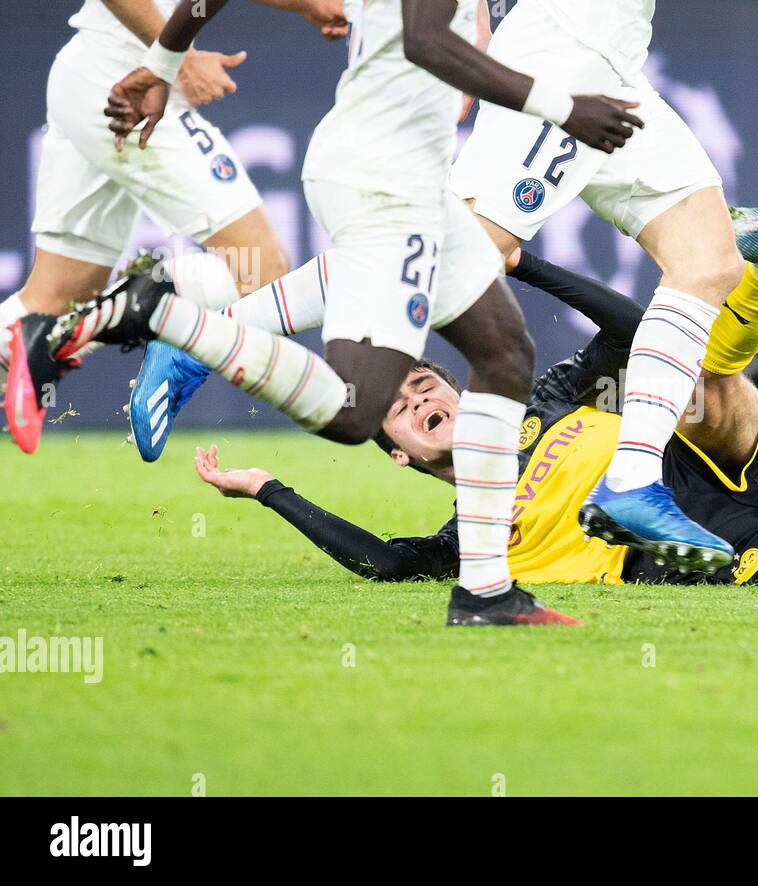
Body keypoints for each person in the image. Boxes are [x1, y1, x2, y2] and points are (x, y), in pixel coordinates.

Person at [15, 0, 644, 627]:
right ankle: (167, 317)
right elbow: (427, 39)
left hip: (406, 168)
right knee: (355, 412)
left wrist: (163, 60)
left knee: (505, 352)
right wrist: (564, 107)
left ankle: (484, 593)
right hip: (382, 174)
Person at [192, 204, 758, 596]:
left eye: (427, 377)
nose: (423, 391)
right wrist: (268, 488)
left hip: (700, 457)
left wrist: (530, 265)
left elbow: (635, 329)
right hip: (695, 551)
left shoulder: (549, 399)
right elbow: (383, 563)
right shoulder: (469, 532)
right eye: (404, 405)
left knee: (693, 380)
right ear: (397, 452)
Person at [450, 0, 758, 575]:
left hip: (611, 56)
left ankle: (631, 483)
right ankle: (237, 336)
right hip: (567, 45)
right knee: (455, 260)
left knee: (710, 261)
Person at [0, 0, 345, 452]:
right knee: (261, 270)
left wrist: (307, 5)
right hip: (131, 86)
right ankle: (158, 309)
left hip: (91, 77)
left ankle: (74, 330)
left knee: (51, 303)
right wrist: (173, 58)